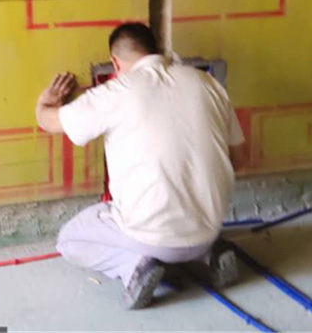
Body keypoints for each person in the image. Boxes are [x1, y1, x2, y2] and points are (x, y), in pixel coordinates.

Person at [35, 22, 246, 309]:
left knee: (70, 240)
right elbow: (240, 160)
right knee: (180, 219)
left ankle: (135, 267)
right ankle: (210, 254)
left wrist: (44, 104)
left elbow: (50, 122)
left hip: (150, 236)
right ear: (156, 50)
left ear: (115, 62)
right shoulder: (207, 84)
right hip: (209, 228)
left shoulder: (116, 91)